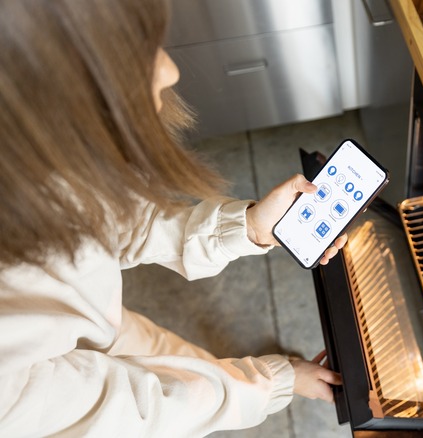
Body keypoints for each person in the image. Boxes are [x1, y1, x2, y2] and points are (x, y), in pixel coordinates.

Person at [0, 0, 346, 436]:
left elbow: (120, 226)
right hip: (59, 398)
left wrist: (251, 226)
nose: (169, 72)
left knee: (179, 359)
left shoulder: (31, 164)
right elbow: (139, 410)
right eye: (133, 53)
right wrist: (276, 382)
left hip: (99, 323)